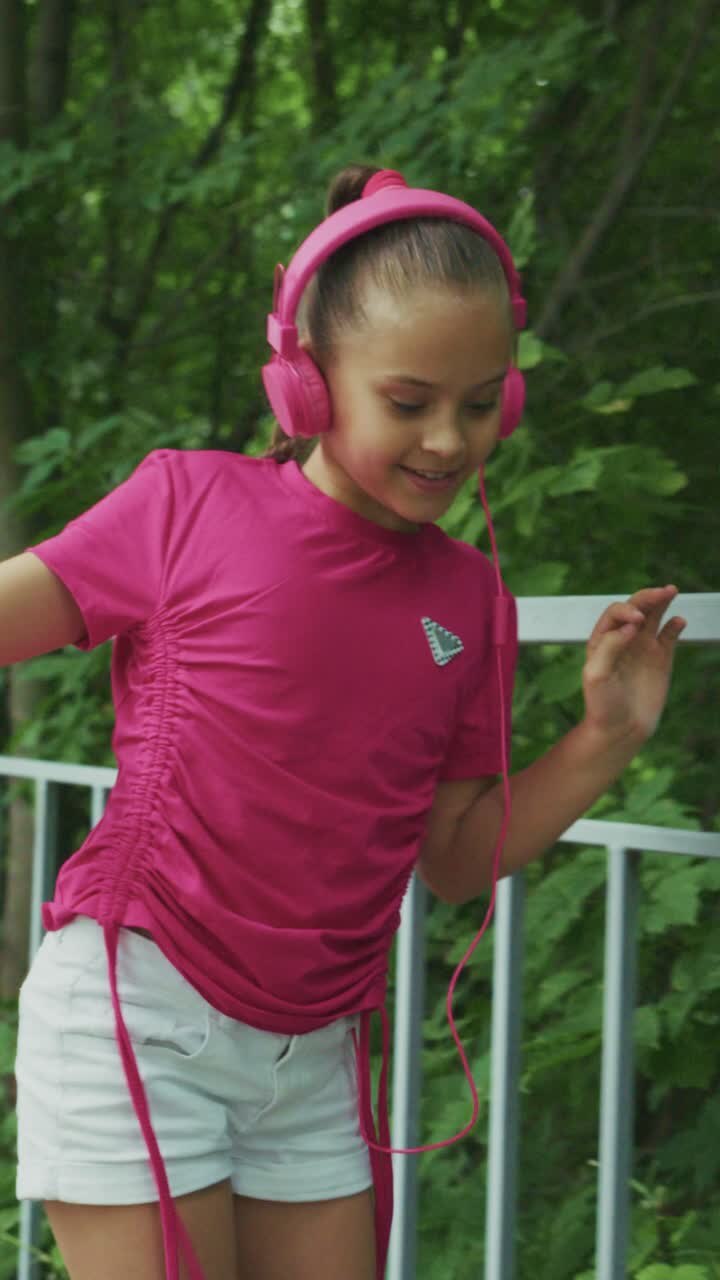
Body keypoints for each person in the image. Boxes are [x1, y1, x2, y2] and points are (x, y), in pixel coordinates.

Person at [7, 162, 685, 1280]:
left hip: (313, 1056)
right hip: (141, 1006)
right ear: (307, 385)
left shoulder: (474, 600)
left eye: (481, 403)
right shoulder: (187, 504)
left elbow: (461, 857)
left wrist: (605, 733)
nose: (450, 441)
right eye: (409, 402)